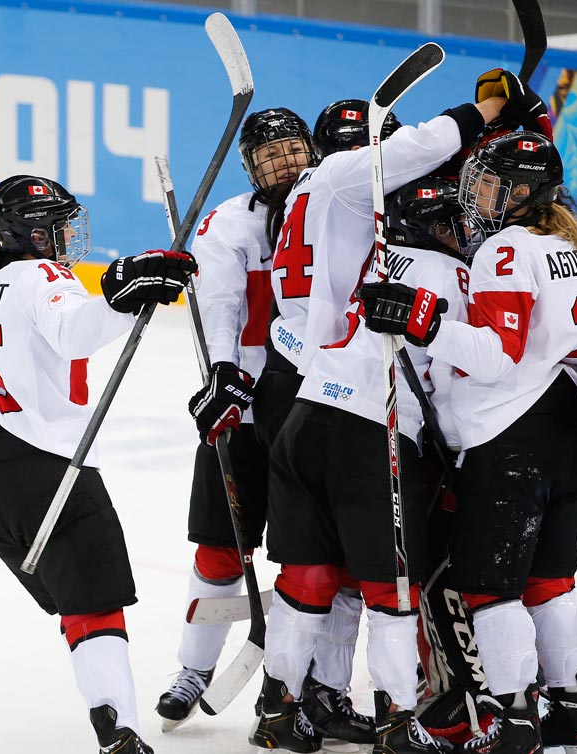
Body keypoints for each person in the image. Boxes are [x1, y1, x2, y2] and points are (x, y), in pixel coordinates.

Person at [360, 128, 577, 753]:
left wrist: (427, 324)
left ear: (524, 192)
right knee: (551, 581)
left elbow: (498, 358)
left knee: (488, 590)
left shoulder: (504, 250)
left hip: (507, 439)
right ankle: (571, 708)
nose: (479, 195)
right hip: (565, 433)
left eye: (492, 184)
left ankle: (514, 718)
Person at [249, 86, 521, 754]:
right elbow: (470, 374)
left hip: (306, 409)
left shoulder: (349, 239)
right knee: (389, 587)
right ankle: (399, 721)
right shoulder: (445, 268)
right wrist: (485, 115)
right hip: (374, 428)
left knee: (307, 575)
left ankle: (279, 707)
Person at [0, 175, 196, 754]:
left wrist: (129, 293)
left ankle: (115, 721)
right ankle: (118, 730)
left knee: (75, 596)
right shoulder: (43, 276)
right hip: (45, 465)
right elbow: (71, 334)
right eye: (57, 226)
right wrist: (125, 293)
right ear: (33, 235)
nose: (67, 235)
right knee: (95, 603)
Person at [153, 107, 359, 737]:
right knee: (220, 548)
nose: (283, 163)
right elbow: (218, 302)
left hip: (326, 402)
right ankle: (192, 669)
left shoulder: (341, 207)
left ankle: (327, 689)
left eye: (292, 150)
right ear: (250, 168)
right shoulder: (229, 224)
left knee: (332, 555)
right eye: (267, 157)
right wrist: (221, 372)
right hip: (245, 401)